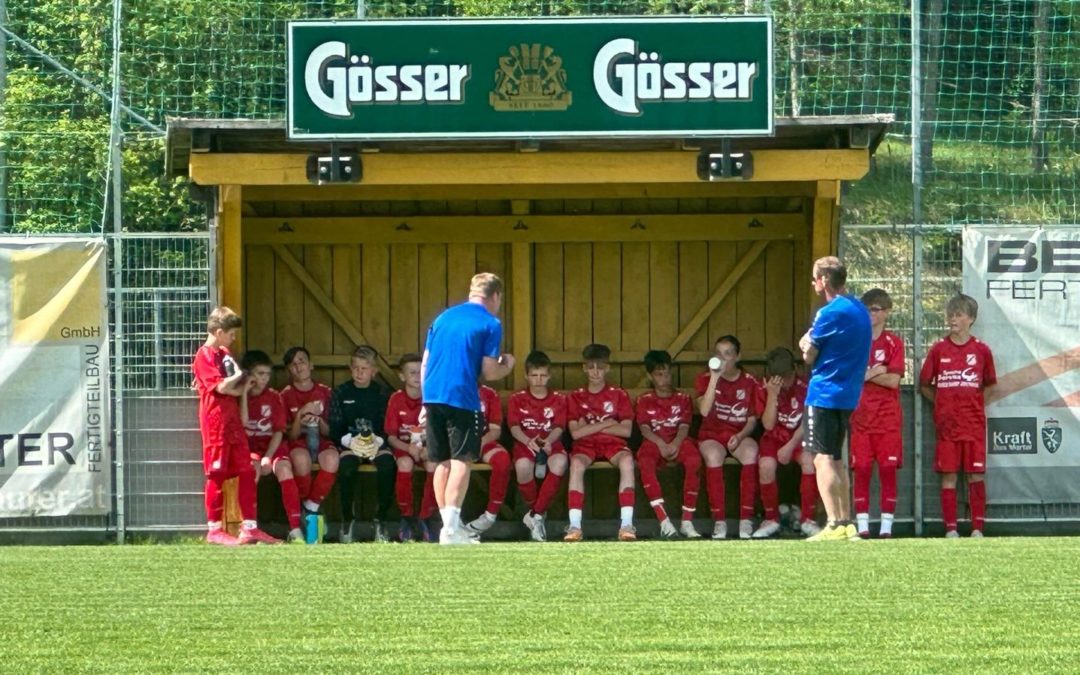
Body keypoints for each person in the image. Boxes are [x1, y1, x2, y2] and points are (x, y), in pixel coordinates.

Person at [422, 272, 515, 545]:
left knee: (441, 461)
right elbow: (489, 371)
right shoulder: (490, 322)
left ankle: (449, 527)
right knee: (462, 459)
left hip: (433, 394)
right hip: (461, 395)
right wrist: (507, 365)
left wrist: (424, 401)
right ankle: (451, 531)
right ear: (495, 296)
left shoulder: (442, 317)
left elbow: (425, 361)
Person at [798, 255, 872, 542]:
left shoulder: (829, 312)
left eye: (816, 277)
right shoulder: (859, 309)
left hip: (824, 393)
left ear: (825, 280)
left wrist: (805, 344)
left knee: (822, 458)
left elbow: (809, 354)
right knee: (837, 459)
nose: (814, 282)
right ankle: (846, 522)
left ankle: (833, 523)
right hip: (848, 394)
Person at [190, 307, 279, 545]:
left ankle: (249, 527)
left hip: (233, 423)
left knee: (247, 469)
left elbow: (233, 389)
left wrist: (245, 384)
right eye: (231, 334)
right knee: (216, 475)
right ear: (219, 332)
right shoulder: (204, 356)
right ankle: (214, 529)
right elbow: (220, 387)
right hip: (215, 422)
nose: (233, 339)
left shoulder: (225, 353)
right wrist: (239, 375)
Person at [919, 293, 996, 538]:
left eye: (959, 315)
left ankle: (978, 528)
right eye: (950, 315)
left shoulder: (982, 350)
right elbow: (924, 384)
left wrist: (973, 404)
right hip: (947, 426)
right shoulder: (938, 349)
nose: (953, 319)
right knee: (949, 475)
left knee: (975, 475)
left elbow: (990, 385)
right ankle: (951, 529)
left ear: (971, 319)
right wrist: (941, 403)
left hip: (973, 425)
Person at [564, 343, 637, 542]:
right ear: (584, 368)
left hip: (613, 444)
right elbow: (576, 434)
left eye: (600, 367)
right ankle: (574, 526)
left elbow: (626, 430)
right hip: (585, 446)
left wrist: (589, 426)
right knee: (576, 464)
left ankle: (627, 524)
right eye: (591, 367)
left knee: (627, 462)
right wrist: (607, 423)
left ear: (608, 368)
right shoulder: (576, 396)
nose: (595, 372)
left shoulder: (618, 394)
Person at [850, 288, 905, 539]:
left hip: (888, 420)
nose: (870, 314)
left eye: (875, 309)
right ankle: (862, 525)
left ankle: (886, 528)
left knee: (887, 470)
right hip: (860, 418)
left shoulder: (894, 342)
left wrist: (868, 374)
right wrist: (874, 372)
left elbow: (894, 380)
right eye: (867, 309)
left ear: (887, 312)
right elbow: (852, 377)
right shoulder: (854, 341)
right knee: (860, 469)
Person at [695, 335, 761, 540]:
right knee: (713, 456)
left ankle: (746, 520)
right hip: (712, 434)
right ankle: (719, 522)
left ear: (737, 357)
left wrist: (740, 436)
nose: (722, 359)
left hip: (738, 434)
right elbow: (704, 412)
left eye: (728, 354)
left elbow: (751, 420)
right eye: (718, 354)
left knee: (751, 452)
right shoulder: (705, 378)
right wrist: (715, 378)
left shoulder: (750, 382)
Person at [752, 347, 820, 539]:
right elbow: (768, 424)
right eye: (779, 377)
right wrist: (773, 395)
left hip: (799, 437)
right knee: (766, 465)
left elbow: (808, 421)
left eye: (787, 376)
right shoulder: (765, 388)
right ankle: (771, 519)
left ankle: (808, 520)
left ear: (795, 369)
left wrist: (790, 446)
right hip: (774, 437)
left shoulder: (806, 386)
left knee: (809, 462)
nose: (785, 381)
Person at [329, 345, 395, 544]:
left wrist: (376, 441)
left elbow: (388, 425)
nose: (359, 372)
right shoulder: (341, 392)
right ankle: (347, 520)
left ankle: (380, 519)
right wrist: (349, 441)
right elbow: (335, 426)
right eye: (355, 367)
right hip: (350, 444)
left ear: (374, 371)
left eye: (364, 368)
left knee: (387, 466)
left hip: (377, 443)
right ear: (350, 369)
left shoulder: (383, 394)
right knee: (347, 468)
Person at [635, 349, 703, 539]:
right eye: (659, 374)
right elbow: (644, 428)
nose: (664, 378)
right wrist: (661, 445)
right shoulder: (644, 400)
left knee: (694, 460)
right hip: (654, 441)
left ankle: (687, 521)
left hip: (678, 440)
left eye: (667, 373)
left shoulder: (683, 398)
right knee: (645, 462)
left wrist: (674, 443)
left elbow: (684, 425)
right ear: (650, 376)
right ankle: (664, 521)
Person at [239, 350, 301, 542]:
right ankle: (249, 527)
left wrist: (268, 456)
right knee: (251, 470)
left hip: (272, 447)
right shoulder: (238, 396)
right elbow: (242, 423)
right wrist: (243, 393)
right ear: (248, 374)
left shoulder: (274, 397)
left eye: (267, 374)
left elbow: (278, 431)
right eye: (260, 374)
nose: (265, 378)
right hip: (250, 448)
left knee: (284, 468)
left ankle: (295, 529)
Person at [280, 346, 338, 542]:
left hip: (321, 440)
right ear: (289, 370)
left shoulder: (325, 392)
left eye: (302, 361)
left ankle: (309, 507)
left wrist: (318, 421)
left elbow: (331, 431)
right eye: (293, 364)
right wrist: (300, 415)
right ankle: (308, 507)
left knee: (332, 460)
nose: (299, 367)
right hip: (299, 442)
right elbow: (291, 435)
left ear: (311, 365)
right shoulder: (285, 395)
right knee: (300, 460)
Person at [508, 351, 568, 542]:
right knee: (523, 466)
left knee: (560, 463)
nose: (538, 380)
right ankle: (538, 514)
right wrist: (528, 441)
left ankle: (536, 515)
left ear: (549, 376)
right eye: (534, 375)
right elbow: (514, 426)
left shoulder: (559, 398)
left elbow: (559, 426)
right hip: (526, 442)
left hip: (551, 442)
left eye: (543, 375)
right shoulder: (517, 399)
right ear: (526, 376)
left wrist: (549, 440)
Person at [385, 352, 439, 542]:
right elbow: (390, 436)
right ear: (402, 376)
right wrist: (408, 448)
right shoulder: (396, 399)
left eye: (420, 372)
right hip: (403, 447)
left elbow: (440, 431)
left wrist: (429, 448)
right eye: (412, 372)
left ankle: (426, 516)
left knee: (433, 465)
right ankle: (407, 516)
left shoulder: (432, 397)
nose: (417, 377)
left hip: (428, 447)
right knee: (405, 464)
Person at [463, 384, 513, 538]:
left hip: (483, 442)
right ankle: (451, 521)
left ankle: (490, 516)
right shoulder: (451, 389)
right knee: (447, 465)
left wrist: (477, 445)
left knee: (502, 460)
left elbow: (495, 430)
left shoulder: (489, 393)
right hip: (457, 443)